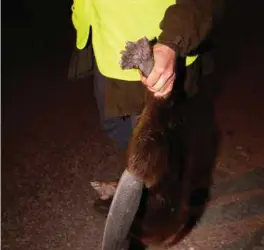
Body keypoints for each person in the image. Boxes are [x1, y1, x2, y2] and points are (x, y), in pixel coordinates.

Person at [71, 0, 224, 208]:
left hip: (160, 55)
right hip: (108, 47)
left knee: (151, 138)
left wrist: (173, 41)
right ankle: (149, 178)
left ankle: (160, 201)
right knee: (115, 125)